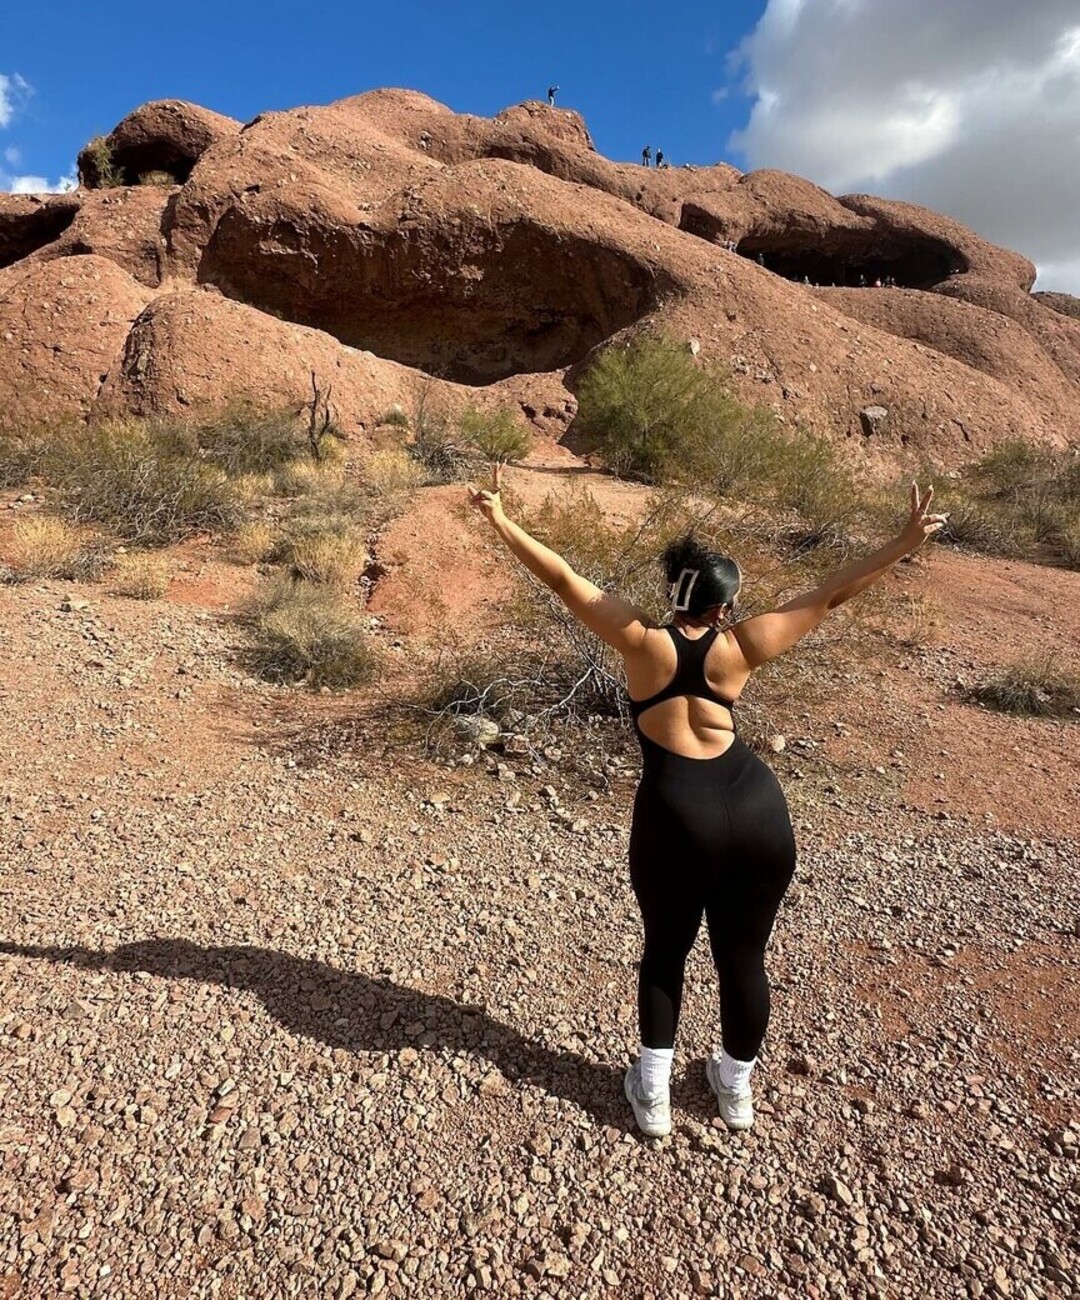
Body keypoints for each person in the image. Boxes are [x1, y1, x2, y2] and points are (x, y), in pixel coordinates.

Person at [469, 471, 947, 1137]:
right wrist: (902, 543)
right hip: (755, 807)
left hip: (676, 813)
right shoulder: (740, 646)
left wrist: (501, 520)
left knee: (667, 950)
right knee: (743, 957)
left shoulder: (641, 641)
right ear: (722, 609)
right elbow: (831, 593)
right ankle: (735, 1089)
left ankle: (654, 1096)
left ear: (675, 597)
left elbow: (562, 579)